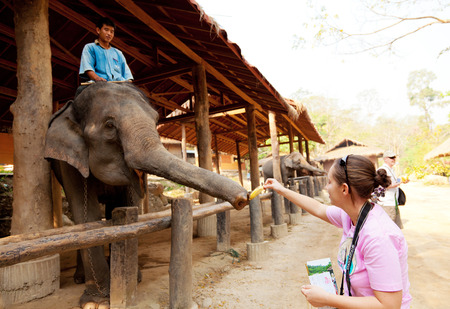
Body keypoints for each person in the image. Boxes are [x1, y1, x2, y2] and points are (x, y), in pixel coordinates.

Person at [264, 154, 411, 308]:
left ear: (344, 189)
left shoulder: (378, 237)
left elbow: (389, 305)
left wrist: (327, 299)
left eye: (329, 182)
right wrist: (280, 190)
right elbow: (318, 208)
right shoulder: (351, 215)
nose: (326, 187)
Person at [79, 17, 133, 82]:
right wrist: (97, 78)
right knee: (81, 90)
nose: (109, 34)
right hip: (99, 83)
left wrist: (129, 82)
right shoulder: (90, 47)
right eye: (106, 30)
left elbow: (127, 74)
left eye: (112, 32)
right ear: (98, 30)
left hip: (119, 84)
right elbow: (87, 67)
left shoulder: (118, 53)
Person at [377, 150, 403, 229]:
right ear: (385, 159)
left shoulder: (391, 169)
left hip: (393, 202)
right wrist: (393, 185)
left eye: (394, 157)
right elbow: (380, 185)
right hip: (387, 203)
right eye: (391, 157)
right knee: (388, 228)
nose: (393, 159)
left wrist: (402, 181)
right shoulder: (382, 170)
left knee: (394, 227)